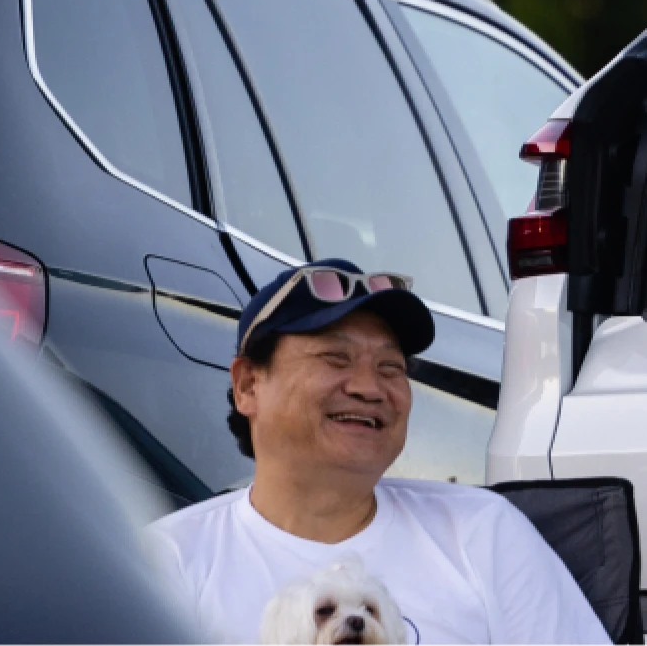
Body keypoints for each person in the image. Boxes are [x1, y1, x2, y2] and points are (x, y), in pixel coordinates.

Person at [147, 259, 610, 644]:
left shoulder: (483, 531)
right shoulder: (169, 561)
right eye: (336, 359)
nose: (370, 388)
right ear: (248, 385)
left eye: (391, 367)